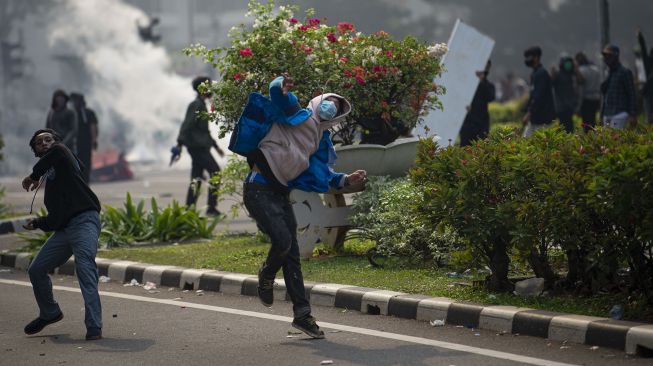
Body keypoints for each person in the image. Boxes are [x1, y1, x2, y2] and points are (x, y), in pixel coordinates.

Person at [234, 75, 366, 339]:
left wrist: (346, 180)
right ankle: (266, 275)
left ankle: (302, 315)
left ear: (336, 118)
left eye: (337, 109)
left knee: (291, 254)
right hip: (258, 188)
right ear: (318, 101)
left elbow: (324, 175)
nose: (331, 108)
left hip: (279, 193)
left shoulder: (319, 141)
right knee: (282, 242)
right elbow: (279, 96)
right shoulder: (299, 114)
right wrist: (279, 84)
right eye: (329, 102)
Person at [21, 128, 102, 340]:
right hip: (66, 229)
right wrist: (38, 223)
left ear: (57, 142)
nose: (45, 144)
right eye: (39, 143)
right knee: (36, 269)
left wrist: (33, 175)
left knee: (84, 268)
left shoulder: (63, 156)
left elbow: (57, 152)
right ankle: (50, 312)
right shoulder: (52, 178)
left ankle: (94, 327)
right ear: (36, 151)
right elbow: (57, 217)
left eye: (49, 139)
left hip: (84, 221)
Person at [175, 76, 224, 215]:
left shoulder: (201, 104)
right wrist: (179, 143)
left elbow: (204, 131)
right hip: (197, 148)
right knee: (215, 173)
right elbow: (187, 125)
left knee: (196, 178)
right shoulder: (196, 105)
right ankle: (211, 208)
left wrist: (216, 147)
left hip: (201, 147)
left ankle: (189, 210)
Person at [459, 60, 496, 146]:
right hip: (468, 121)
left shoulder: (489, 85)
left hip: (482, 122)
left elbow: (490, 97)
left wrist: (481, 82)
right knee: (465, 147)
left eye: (487, 68)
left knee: (481, 147)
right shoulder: (467, 84)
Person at [600, 45, 637, 129]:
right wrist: (601, 115)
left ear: (615, 56)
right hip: (607, 113)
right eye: (605, 56)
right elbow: (605, 97)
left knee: (616, 140)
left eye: (609, 55)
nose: (606, 58)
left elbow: (631, 94)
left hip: (620, 113)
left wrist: (633, 115)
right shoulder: (608, 73)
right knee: (607, 141)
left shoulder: (624, 72)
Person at [522, 46, 555, 137]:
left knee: (539, 143)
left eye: (529, 57)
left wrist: (529, 113)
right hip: (535, 118)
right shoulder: (535, 73)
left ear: (536, 57)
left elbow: (538, 96)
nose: (527, 60)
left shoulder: (541, 74)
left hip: (542, 119)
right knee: (526, 141)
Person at [70, 93, 99, 183]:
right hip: (71, 145)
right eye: (73, 101)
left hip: (85, 144)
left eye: (76, 101)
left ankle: (85, 185)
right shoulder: (70, 113)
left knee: (85, 166)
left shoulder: (88, 113)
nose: (75, 103)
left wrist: (94, 140)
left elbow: (93, 126)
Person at [574, 52, 602, 132]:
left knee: (586, 123)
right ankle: (593, 137)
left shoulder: (581, 70)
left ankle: (588, 139)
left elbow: (580, 90)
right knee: (593, 120)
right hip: (596, 98)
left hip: (586, 100)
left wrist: (578, 106)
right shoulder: (595, 69)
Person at [551, 55, 577, 133]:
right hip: (561, 106)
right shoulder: (558, 74)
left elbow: (581, 80)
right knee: (563, 127)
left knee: (569, 127)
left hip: (570, 106)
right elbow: (551, 83)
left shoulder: (571, 74)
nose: (568, 65)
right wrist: (552, 73)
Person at [636, 29, 653, 124]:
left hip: (648, 92)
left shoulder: (647, 63)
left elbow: (643, 50)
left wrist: (640, 38)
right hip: (648, 92)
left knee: (649, 115)